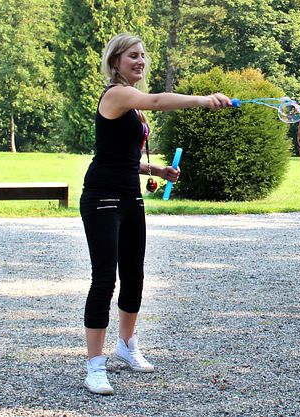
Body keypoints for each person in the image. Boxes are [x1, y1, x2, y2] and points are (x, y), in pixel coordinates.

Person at [80, 33, 230, 395]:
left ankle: (126, 347)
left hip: (130, 195)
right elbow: (160, 98)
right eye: (133, 56)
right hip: (101, 196)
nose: (140, 61)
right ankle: (95, 365)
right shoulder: (116, 95)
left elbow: (123, 157)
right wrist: (203, 100)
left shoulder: (133, 106)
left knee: (134, 275)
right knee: (104, 279)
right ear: (115, 61)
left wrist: (157, 171)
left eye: (143, 56)